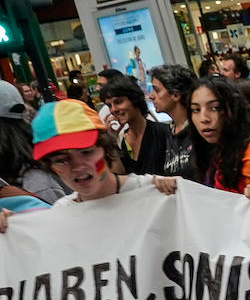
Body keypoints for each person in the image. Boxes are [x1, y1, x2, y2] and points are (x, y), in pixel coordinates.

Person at [25, 100, 179, 206]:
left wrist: (175, 192)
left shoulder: (153, 190)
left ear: (105, 149)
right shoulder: (62, 213)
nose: (77, 167)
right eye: (61, 160)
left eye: (86, 152)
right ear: (50, 166)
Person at [187, 76, 250, 194]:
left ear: (234, 109)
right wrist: (179, 188)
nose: (204, 118)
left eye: (215, 108)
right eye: (196, 110)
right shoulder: (209, 149)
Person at [101, 76, 171, 176]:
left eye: (118, 102)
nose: (113, 110)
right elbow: (120, 178)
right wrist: (111, 143)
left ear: (134, 99)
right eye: (109, 105)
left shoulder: (163, 133)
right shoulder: (123, 140)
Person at [148, 64, 199, 180]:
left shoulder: (200, 129)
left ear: (175, 94)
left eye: (156, 90)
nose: (151, 96)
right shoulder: (170, 132)